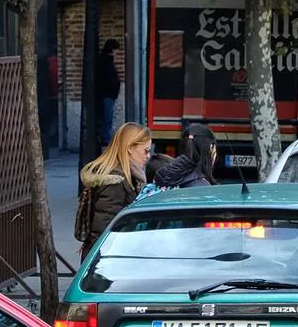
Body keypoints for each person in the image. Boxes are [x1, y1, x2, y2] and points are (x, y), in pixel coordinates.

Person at [76, 123, 151, 256]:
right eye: (146, 150)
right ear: (129, 148)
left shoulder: (119, 176)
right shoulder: (116, 182)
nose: (148, 156)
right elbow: (103, 229)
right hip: (106, 259)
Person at [153, 123, 221, 189]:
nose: (215, 157)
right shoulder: (201, 187)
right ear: (209, 149)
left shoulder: (166, 176)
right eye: (214, 152)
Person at [98, 40, 122, 147]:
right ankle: (105, 138)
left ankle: (105, 137)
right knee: (107, 118)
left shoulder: (106, 61)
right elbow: (108, 79)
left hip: (109, 94)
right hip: (107, 94)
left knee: (107, 117)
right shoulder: (106, 62)